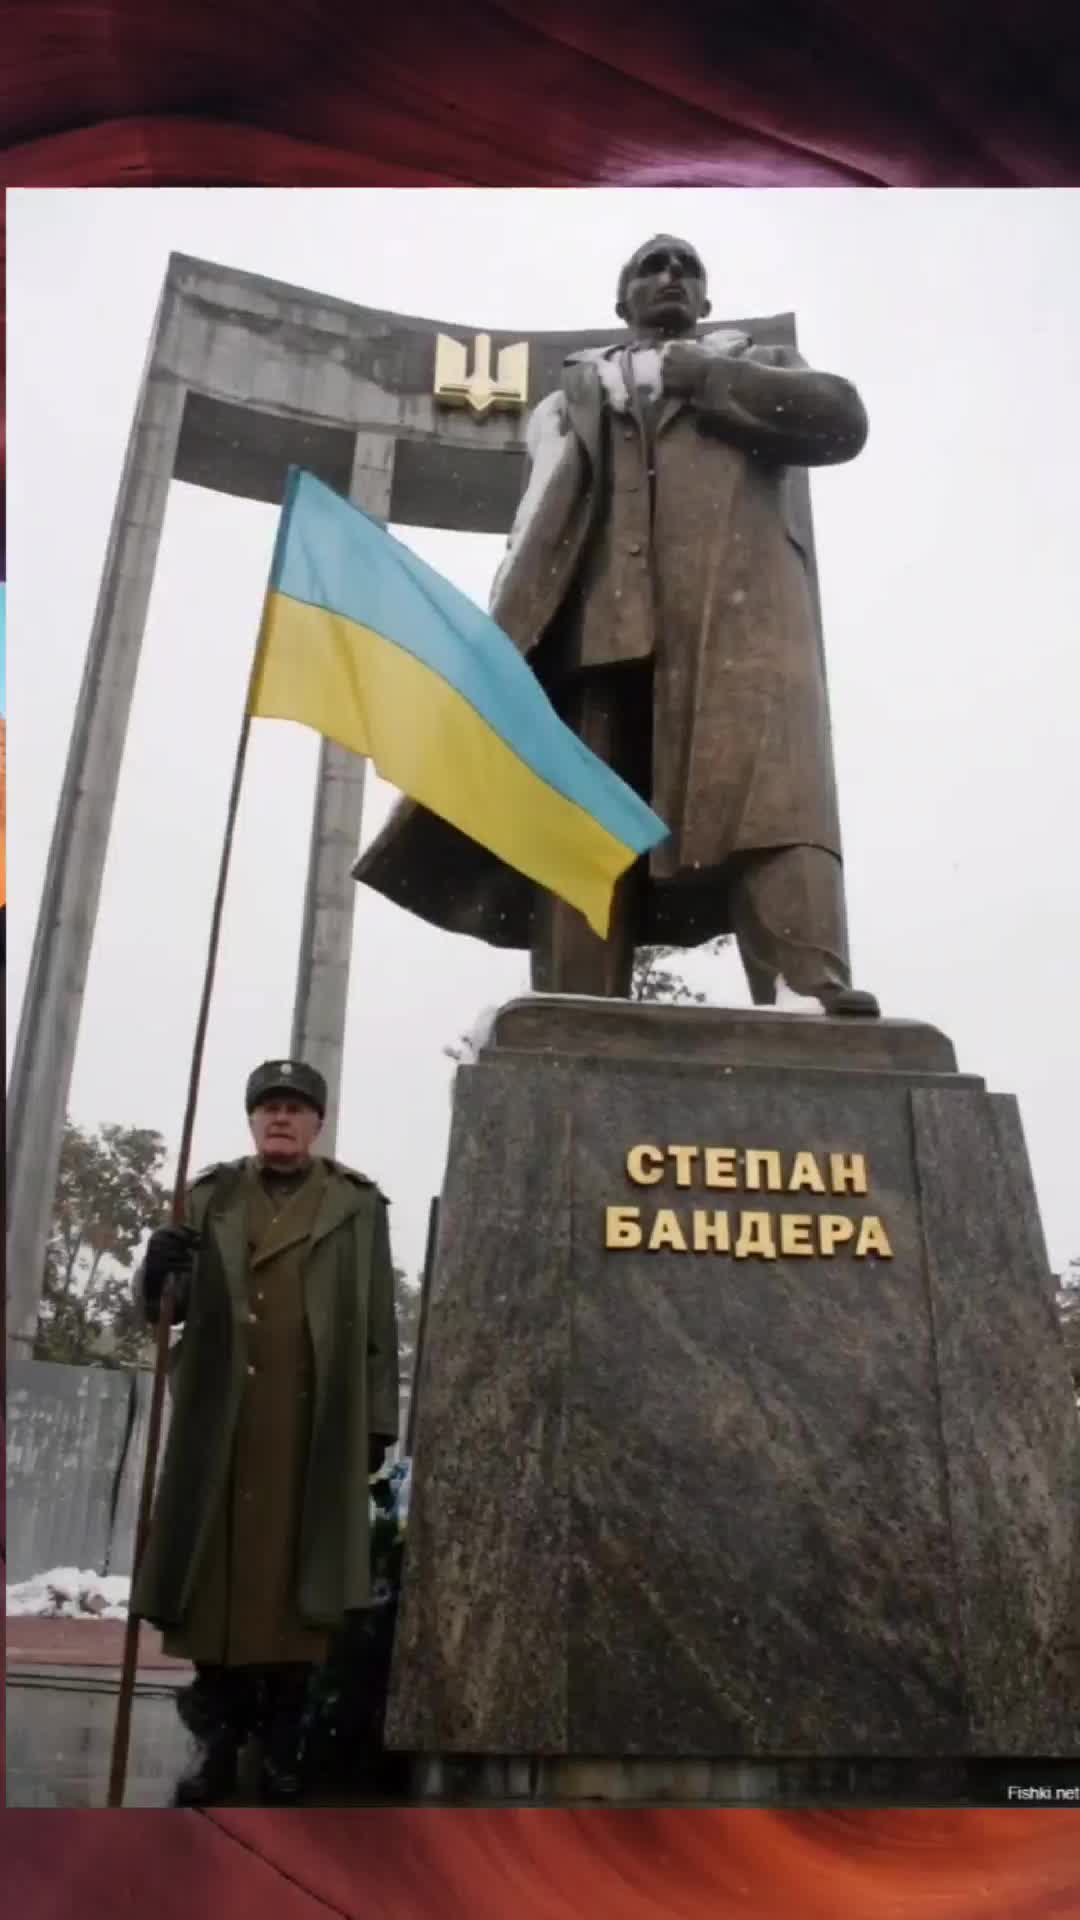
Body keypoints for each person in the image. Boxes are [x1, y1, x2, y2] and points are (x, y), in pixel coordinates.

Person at [354, 234, 878, 1015]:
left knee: (773, 798)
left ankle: (812, 981)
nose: (670, 277)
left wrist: (706, 379)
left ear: (706, 301)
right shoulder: (566, 401)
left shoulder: (756, 360)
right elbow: (532, 527)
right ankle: (578, 1000)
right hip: (596, 626)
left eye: (686, 268)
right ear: (620, 300)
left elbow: (840, 421)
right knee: (582, 815)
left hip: (739, 628)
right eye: (651, 267)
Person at [131, 1058, 399, 1807]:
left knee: (296, 1590)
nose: (281, 1119)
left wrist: (377, 1425)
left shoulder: (357, 1205)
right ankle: (218, 1744)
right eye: (269, 1108)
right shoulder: (211, 1195)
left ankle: (281, 1747)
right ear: (253, 1121)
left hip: (311, 1427)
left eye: (296, 1109)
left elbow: (379, 1322)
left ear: (318, 1123)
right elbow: (166, 1311)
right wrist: (157, 1275)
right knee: (211, 1588)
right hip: (219, 1424)